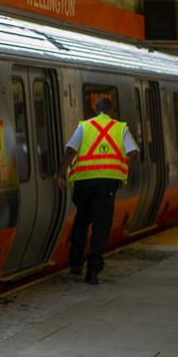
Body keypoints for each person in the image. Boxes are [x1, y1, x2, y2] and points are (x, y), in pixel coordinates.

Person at [56, 97, 139, 285]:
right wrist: (125, 173)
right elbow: (134, 155)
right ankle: (93, 270)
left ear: (96, 111)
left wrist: (60, 174)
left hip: (83, 183)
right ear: (112, 110)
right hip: (107, 185)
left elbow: (70, 151)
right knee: (101, 226)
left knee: (81, 221)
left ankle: (76, 263)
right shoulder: (121, 128)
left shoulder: (84, 127)